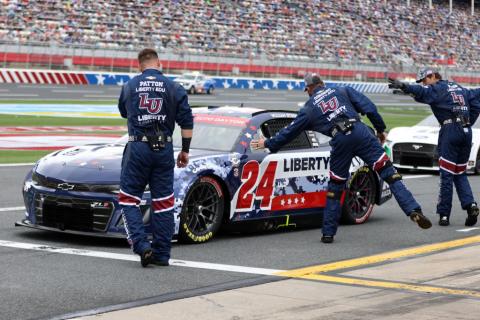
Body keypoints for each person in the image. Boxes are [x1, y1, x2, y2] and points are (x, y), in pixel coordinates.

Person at [250, 73, 431, 244]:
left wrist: (269, 144)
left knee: (335, 188)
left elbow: (289, 132)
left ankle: (328, 234)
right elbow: (369, 108)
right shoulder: (342, 90)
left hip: (340, 140)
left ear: (310, 89)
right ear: (323, 84)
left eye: (307, 90)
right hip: (361, 133)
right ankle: (413, 210)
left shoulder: (308, 109)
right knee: (389, 174)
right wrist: (380, 129)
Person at [118, 48, 193, 267]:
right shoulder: (174, 87)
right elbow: (187, 122)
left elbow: (124, 112)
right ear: (159, 63)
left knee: (128, 199)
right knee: (163, 203)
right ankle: (162, 254)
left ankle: (142, 245)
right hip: (164, 149)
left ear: (139, 65)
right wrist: (185, 150)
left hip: (138, 147)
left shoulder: (130, 86)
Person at [389, 68, 480, 227]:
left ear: (432, 76)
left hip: (450, 130)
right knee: (460, 173)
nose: (424, 84)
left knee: (446, 174)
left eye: (424, 80)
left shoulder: (437, 88)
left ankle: (444, 215)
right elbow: (476, 102)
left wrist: (404, 86)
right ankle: (471, 205)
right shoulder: (459, 88)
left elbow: (420, 91)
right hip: (466, 132)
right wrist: (468, 122)